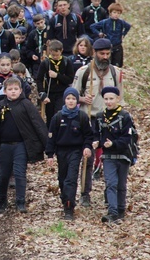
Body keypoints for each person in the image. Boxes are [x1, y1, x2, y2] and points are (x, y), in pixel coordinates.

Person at [0, 77, 47, 213]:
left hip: (21, 145)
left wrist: (48, 146)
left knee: (19, 173)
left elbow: (38, 125)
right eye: (10, 89)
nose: (13, 92)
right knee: (4, 174)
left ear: (21, 90)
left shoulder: (26, 105)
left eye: (15, 89)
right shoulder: (1, 106)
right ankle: (1, 200)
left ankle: (20, 201)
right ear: (5, 91)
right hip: (4, 146)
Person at [72, 38, 123, 206]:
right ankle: (85, 193)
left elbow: (120, 97)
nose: (105, 57)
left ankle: (110, 195)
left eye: (108, 53)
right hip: (89, 118)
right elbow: (72, 96)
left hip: (109, 119)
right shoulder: (83, 72)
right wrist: (81, 98)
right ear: (94, 52)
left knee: (109, 158)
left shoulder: (115, 72)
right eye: (102, 54)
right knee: (87, 156)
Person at [46, 87, 93, 220]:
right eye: (68, 98)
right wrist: (50, 154)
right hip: (61, 151)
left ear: (77, 100)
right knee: (62, 178)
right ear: (64, 100)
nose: (71, 101)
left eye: (73, 99)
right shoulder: (58, 117)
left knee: (71, 179)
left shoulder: (82, 116)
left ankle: (69, 207)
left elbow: (88, 135)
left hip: (76, 151)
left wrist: (87, 147)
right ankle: (65, 197)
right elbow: (51, 136)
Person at [93, 86, 133, 223]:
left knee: (121, 184)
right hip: (108, 156)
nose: (109, 102)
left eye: (111, 99)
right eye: (106, 99)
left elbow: (128, 138)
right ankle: (112, 211)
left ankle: (121, 209)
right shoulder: (99, 117)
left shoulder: (125, 116)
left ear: (118, 98)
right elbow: (96, 135)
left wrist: (114, 144)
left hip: (123, 155)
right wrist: (96, 143)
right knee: (111, 183)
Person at [36, 40, 75, 127]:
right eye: (53, 55)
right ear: (50, 51)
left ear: (61, 51)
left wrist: (57, 75)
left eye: (57, 55)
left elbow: (70, 79)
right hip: (50, 94)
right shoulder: (45, 63)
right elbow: (39, 79)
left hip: (62, 93)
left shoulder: (66, 62)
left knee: (59, 114)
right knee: (50, 117)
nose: (55, 57)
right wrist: (42, 94)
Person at [90, 3, 131, 67]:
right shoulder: (105, 22)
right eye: (114, 12)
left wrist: (123, 34)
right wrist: (99, 33)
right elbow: (92, 26)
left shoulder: (121, 22)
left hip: (117, 47)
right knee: (107, 65)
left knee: (117, 66)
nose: (116, 15)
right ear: (110, 13)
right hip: (107, 47)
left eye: (118, 13)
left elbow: (128, 26)